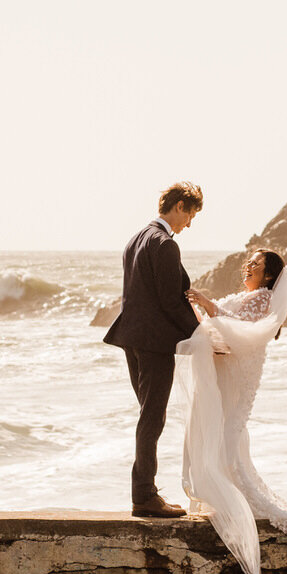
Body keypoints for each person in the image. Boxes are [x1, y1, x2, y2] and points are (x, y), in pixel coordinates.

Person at [178, 249, 287, 574]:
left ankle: (236, 498)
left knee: (228, 430)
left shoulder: (263, 298)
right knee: (225, 431)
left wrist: (209, 305)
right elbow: (220, 323)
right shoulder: (249, 295)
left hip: (240, 372)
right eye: (249, 261)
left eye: (256, 264)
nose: (249, 266)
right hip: (229, 366)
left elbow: (243, 329)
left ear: (269, 276)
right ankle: (225, 493)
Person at [104, 182, 204, 518]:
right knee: (152, 417)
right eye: (190, 215)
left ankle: (145, 492)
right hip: (153, 343)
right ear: (178, 206)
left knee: (149, 415)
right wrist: (203, 336)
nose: (189, 223)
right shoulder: (164, 245)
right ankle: (144, 496)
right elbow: (169, 302)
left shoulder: (136, 239)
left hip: (131, 338)